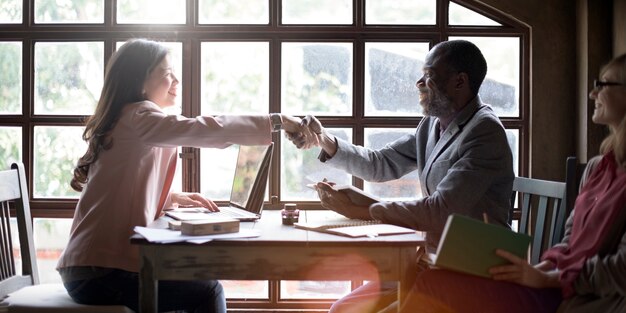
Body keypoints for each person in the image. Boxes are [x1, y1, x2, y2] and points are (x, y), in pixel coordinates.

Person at [56, 38, 314, 312]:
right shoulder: (139, 116)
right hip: (100, 272)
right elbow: (203, 129)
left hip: (90, 268)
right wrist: (277, 120)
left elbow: (121, 189)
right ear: (140, 82)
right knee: (207, 290)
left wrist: (171, 198)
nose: (177, 80)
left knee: (193, 288)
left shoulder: (126, 118)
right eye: (167, 74)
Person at [289, 40, 515, 313]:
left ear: (460, 82)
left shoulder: (484, 132)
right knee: (341, 310)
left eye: (429, 76)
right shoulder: (431, 125)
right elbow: (379, 164)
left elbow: (440, 210)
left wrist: (363, 209)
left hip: (474, 272)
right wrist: (324, 139)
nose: (419, 83)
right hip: (432, 263)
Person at [394, 53, 626, 313]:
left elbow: (621, 269)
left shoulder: (483, 129)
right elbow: (570, 244)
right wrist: (532, 272)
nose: (594, 94)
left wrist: (547, 279)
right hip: (553, 284)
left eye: (604, 84)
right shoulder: (597, 168)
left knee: (433, 286)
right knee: (428, 284)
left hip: (580, 298)